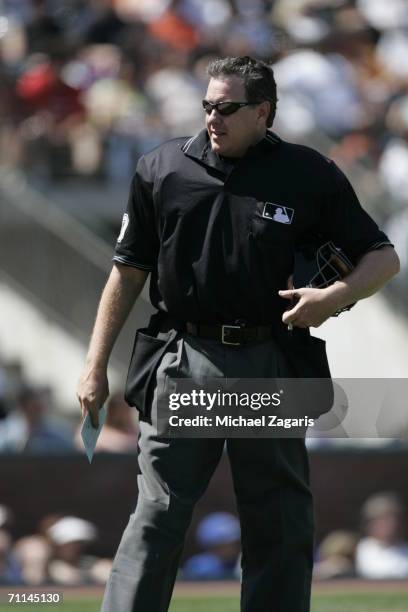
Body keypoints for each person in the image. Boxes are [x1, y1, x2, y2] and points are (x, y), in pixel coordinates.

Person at [77, 56, 399, 612]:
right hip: (186, 357)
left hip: (269, 359)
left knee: (278, 520)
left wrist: (335, 296)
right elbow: (126, 272)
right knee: (157, 515)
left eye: (227, 108)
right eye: (207, 106)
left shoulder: (308, 172)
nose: (212, 118)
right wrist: (93, 365)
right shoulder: (162, 169)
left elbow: (383, 258)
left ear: (263, 112)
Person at [356, 492, 408, 579]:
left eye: (393, 519)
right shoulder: (357, 550)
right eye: (383, 519)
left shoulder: (405, 549)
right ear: (370, 524)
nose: (390, 525)